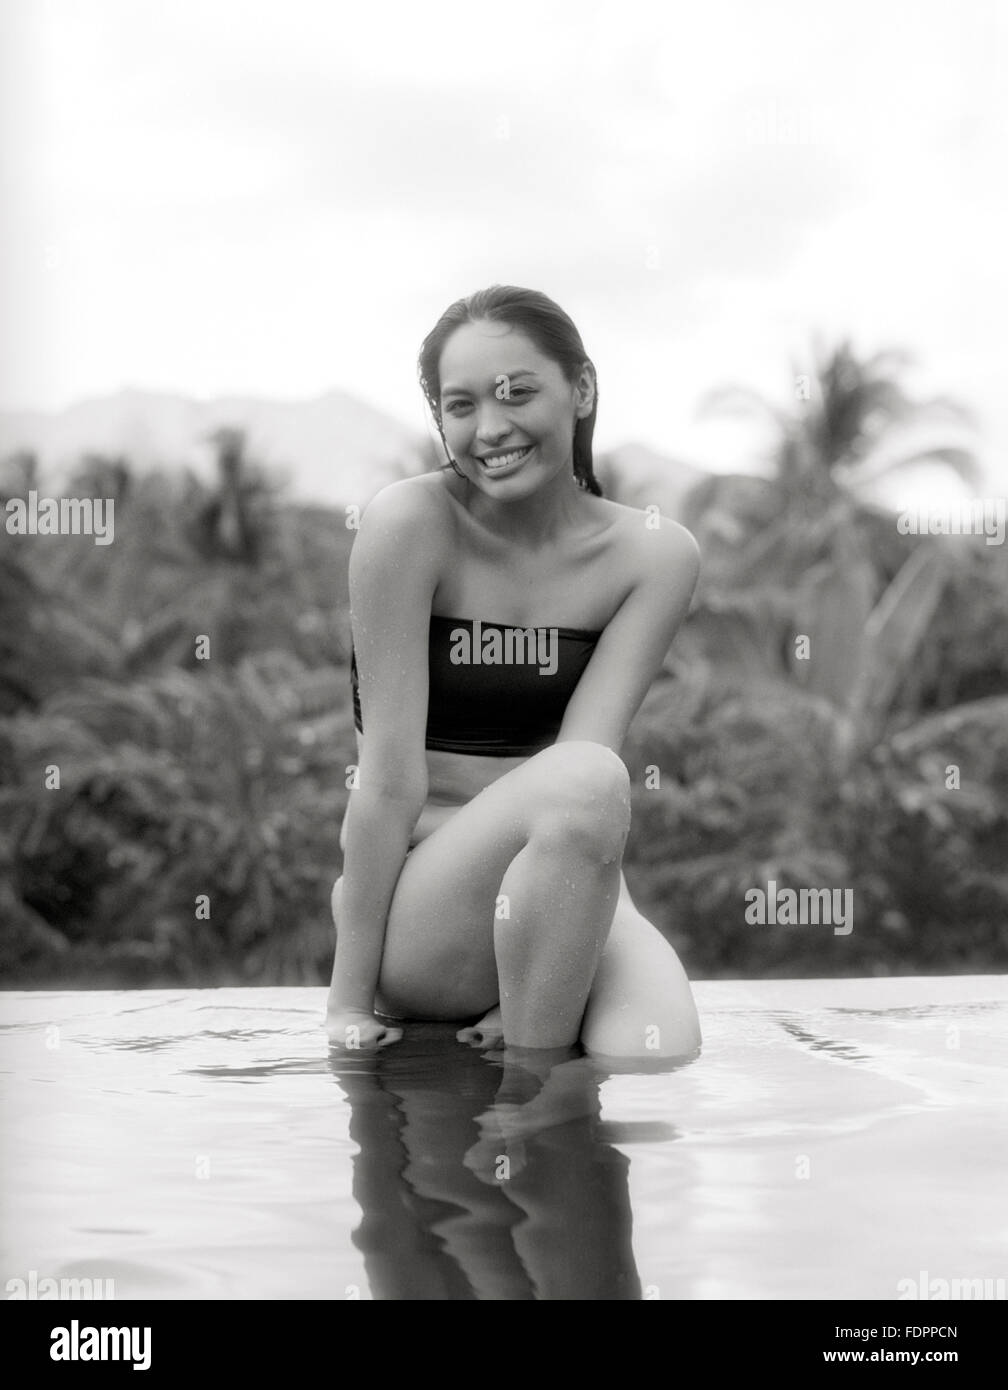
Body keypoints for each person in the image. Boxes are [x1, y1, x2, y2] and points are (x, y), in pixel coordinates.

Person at [325, 285, 701, 1058]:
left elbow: (584, 768)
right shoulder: (409, 524)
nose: (489, 428)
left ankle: (539, 1071)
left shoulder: (655, 556)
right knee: (589, 779)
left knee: (655, 1053)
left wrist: (548, 965)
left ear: (582, 388)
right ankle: (530, 1100)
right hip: (425, 906)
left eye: (516, 393)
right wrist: (347, 1002)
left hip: (569, 889)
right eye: (458, 406)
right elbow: (386, 783)